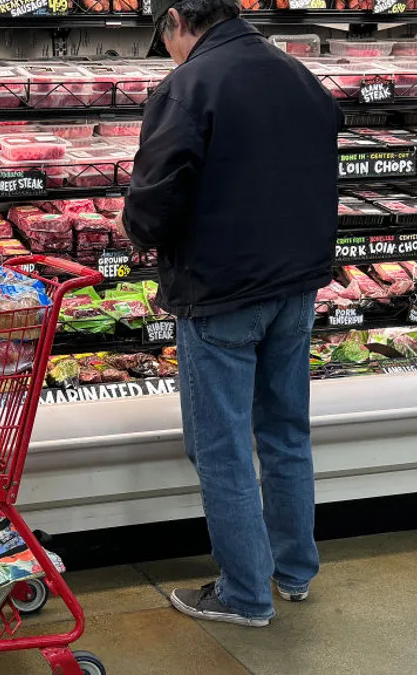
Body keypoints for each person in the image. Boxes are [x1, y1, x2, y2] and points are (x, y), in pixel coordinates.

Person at [117, 0, 343, 627]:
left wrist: (131, 224)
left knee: (219, 448)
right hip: (296, 284)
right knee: (285, 433)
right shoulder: (298, 75)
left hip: (221, 292)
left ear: (175, 22)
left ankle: (244, 595)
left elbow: (158, 195)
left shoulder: (189, 85)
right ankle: (293, 572)